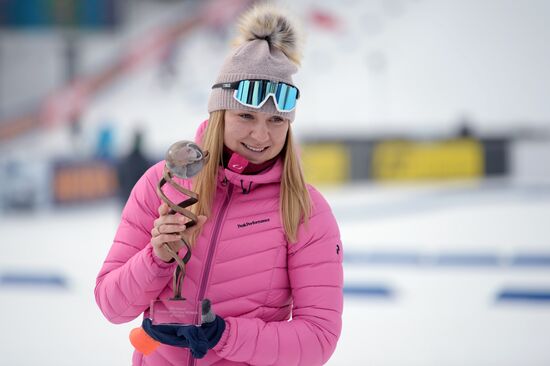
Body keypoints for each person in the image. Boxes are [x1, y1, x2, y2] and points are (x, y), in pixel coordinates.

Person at [95, 4, 343, 365]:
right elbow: (111, 305)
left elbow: (319, 338)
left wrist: (225, 337)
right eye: (246, 116)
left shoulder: (305, 209)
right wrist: (156, 258)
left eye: (276, 120)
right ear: (218, 113)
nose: (261, 134)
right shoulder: (162, 184)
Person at [116, 128, 151, 207]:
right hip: (137, 197)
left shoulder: (125, 161)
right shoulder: (144, 161)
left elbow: (120, 178)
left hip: (127, 196)